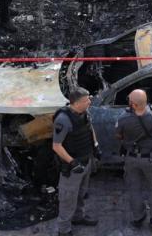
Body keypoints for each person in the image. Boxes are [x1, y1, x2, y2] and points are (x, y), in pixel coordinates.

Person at [115, 90, 152, 230]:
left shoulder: (123, 118)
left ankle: (138, 218)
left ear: (133, 104)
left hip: (130, 158)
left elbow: (118, 136)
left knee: (134, 189)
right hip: (150, 159)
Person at [53, 87, 100, 235]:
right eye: (87, 100)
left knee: (81, 193)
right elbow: (56, 146)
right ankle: (63, 230)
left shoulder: (84, 113)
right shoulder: (63, 119)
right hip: (73, 167)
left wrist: (96, 146)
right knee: (68, 198)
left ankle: (78, 217)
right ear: (77, 103)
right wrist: (72, 162)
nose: (90, 102)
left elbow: (89, 128)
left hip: (86, 160)